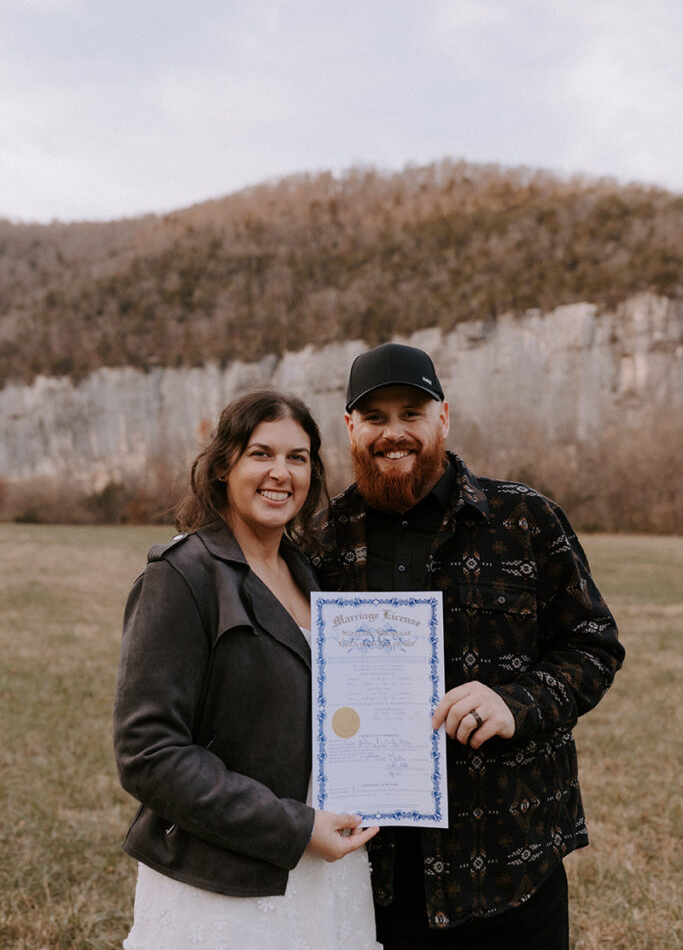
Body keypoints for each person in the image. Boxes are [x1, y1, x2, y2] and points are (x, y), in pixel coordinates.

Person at [308, 343, 625, 950]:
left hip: (511, 862)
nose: (393, 433)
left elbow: (594, 644)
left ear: (443, 418)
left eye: (412, 413)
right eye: (374, 417)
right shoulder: (318, 538)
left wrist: (519, 701)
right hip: (374, 870)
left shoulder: (524, 519)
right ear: (350, 428)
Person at [113, 390, 381, 950]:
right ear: (222, 467)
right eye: (261, 453)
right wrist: (296, 828)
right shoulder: (182, 575)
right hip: (225, 884)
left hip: (328, 872)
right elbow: (149, 753)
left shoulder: (310, 577)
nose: (280, 473)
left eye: (298, 457)